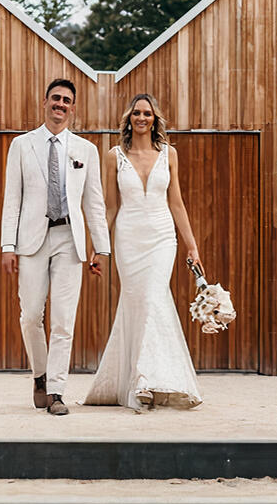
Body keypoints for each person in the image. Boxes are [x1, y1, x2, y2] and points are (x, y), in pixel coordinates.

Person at [84, 93, 203, 410]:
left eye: (147, 113)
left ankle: (145, 380)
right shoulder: (114, 156)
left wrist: (191, 245)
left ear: (154, 119)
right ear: (129, 118)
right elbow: (110, 207)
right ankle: (140, 380)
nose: (141, 117)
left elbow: (176, 203)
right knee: (138, 303)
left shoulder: (169, 154)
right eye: (136, 113)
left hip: (162, 236)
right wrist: (98, 247)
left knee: (153, 296)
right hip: (129, 237)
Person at [0, 78, 110, 416]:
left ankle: (58, 392)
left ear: (73, 108)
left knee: (64, 319)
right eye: (55, 99)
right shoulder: (22, 145)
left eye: (66, 100)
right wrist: (8, 244)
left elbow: (94, 202)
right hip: (32, 240)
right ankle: (40, 375)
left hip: (69, 240)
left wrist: (101, 248)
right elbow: (12, 199)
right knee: (30, 315)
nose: (60, 104)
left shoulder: (85, 150)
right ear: (44, 102)